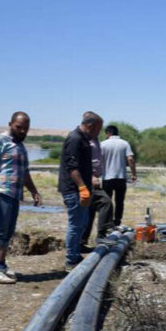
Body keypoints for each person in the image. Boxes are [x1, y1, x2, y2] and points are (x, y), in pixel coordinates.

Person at [0, 111, 42, 284]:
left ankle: (1, 266)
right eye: (19, 127)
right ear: (10, 124)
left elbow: (25, 172)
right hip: (1, 192)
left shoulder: (20, 145)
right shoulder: (0, 140)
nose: (22, 131)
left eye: (26, 129)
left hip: (14, 194)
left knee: (7, 233)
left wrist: (34, 191)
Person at [58, 112, 102, 270]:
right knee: (75, 224)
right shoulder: (75, 138)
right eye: (98, 129)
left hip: (82, 189)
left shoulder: (84, 139)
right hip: (73, 189)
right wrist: (82, 187)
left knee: (82, 222)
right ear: (90, 126)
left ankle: (78, 250)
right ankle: (72, 259)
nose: (99, 133)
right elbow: (72, 167)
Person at [80, 112, 114, 251]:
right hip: (89, 180)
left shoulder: (93, 139)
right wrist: (91, 177)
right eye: (98, 127)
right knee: (106, 202)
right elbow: (79, 162)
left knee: (90, 210)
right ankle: (101, 234)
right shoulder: (83, 139)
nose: (99, 131)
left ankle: (82, 242)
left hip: (94, 179)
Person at [101, 124, 137, 228]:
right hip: (121, 177)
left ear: (108, 133)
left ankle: (107, 223)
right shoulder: (124, 144)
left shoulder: (103, 144)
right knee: (119, 201)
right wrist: (134, 174)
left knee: (107, 202)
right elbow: (130, 159)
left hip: (107, 177)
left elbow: (97, 161)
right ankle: (117, 222)